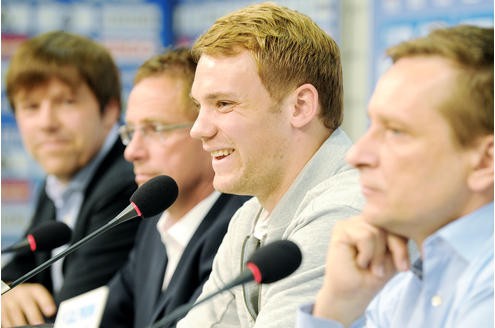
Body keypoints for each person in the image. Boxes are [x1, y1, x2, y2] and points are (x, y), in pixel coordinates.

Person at [177, 3, 364, 327]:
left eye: (223, 104)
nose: (198, 129)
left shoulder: (343, 213)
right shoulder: (249, 218)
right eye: (199, 106)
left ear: (300, 106)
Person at [296, 25, 494, 327]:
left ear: (485, 162)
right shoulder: (402, 289)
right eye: (372, 125)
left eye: (396, 132)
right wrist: (336, 308)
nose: (356, 155)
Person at [100, 48, 249, 328]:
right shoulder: (154, 222)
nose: (132, 152)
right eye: (130, 132)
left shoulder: (238, 230)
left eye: (155, 129)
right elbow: (106, 317)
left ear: (207, 130)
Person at [1, 31, 141, 327]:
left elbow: (73, 317)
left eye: (65, 102)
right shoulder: (58, 182)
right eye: (31, 107)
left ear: (110, 111)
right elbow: (17, 271)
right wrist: (8, 294)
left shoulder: (126, 184)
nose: (47, 123)